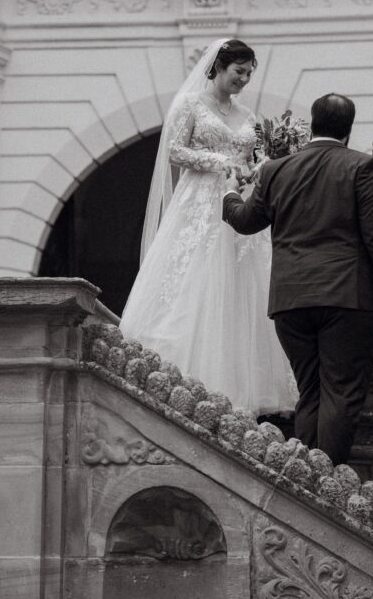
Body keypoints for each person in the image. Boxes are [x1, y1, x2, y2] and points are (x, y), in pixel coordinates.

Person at [222, 92, 373, 465]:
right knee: (341, 393)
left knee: (309, 392)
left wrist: (230, 193)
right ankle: (325, 483)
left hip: (290, 301)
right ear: (348, 130)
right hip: (347, 297)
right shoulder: (362, 167)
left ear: (312, 124)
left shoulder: (275, 170)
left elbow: (244, 221)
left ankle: (305, 479)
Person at [120, 38, 297, 416]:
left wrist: (258, 168)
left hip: (239, 201)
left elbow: (252, 158)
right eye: (239, 72)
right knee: (198, 280)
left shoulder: (248, 115)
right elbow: (173, 150)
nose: (244, 80)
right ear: (218, 67)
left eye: (249, 74)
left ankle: (241, 384)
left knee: (243, 286)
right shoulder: (191, 104)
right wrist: (218, 161)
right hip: (199, 203)